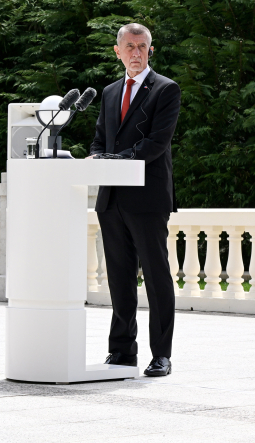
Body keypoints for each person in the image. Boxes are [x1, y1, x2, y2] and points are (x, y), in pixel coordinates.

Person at [89, 22, 181, 377]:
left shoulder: (166, 90)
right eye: (129, 46)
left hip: (148, 198)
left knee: (156, 277)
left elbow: (156, 144)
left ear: (150, 50)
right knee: (119, 277)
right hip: (111, 200)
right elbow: (100, 140)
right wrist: (98, 158)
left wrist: (114, 161)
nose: (136, 53)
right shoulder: (110, 92)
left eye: (142, 46)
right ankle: (122, 351)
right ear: (118, 51)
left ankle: (161, 355)